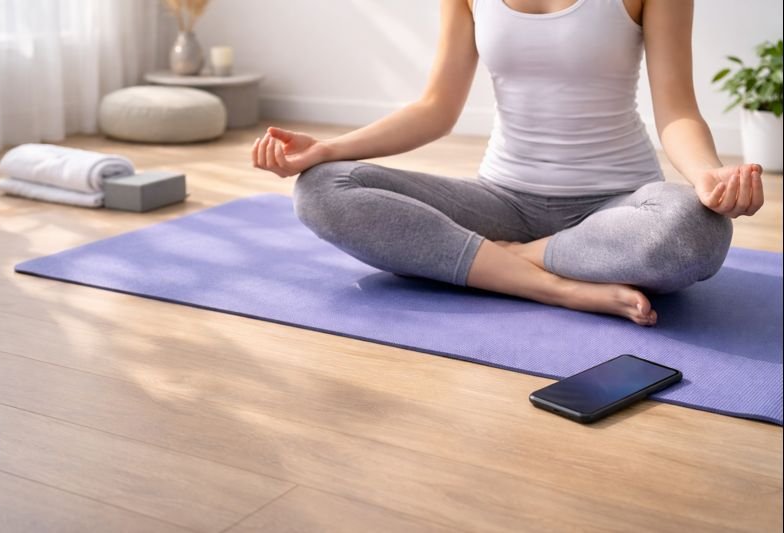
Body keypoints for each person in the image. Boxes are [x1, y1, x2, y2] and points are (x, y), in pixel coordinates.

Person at [250, 0, 765, 326]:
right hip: (501, 200)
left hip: (620, 208)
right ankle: (553, 285)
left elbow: (676, 108)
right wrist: (328, 150)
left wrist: (707, 177)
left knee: (693, 231)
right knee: (322, 188)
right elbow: (436, 108)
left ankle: (513, 258)